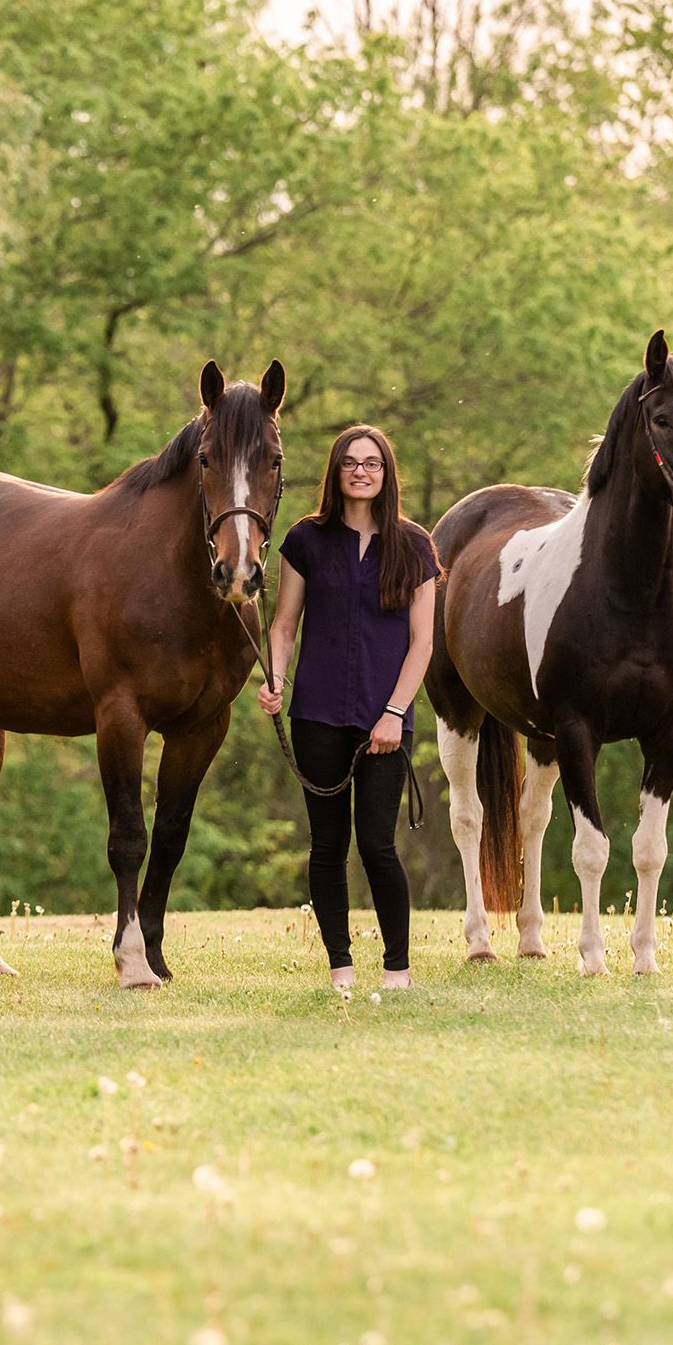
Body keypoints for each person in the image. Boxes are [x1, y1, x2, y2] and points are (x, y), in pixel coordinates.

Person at [257, 424, 440, 992]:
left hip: (386, 720)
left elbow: (423, 644)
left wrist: (393, 713)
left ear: (386, 475)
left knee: (379, 846)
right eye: (350, 463)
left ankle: (397, 971)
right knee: (328, 846)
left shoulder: (414, 545)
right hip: (317, 714)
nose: (361, 471)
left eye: (372, 463)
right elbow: (285, 624)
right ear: (335, 473)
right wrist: (275, 679)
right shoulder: (305, 540)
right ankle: (340, 967)